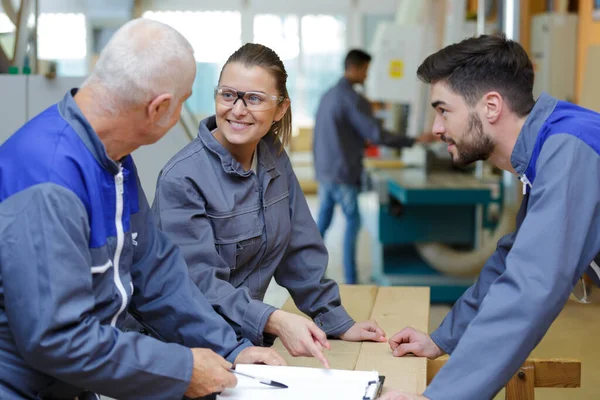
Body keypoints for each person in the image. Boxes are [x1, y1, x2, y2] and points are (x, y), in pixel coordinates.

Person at [0, 19, 285, 400]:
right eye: (185, 100)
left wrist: (232, 349)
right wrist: (181, 371)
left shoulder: (111, 158)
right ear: (160, 108)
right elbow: (58, 338)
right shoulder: (48, 183)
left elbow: (154, 269)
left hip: (74, 384)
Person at [380, 33, 600, 400]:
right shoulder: (551, 143)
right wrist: (441, 338)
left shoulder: (569, 149)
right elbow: (514, 259)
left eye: (443, 110)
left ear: (492, 106)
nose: (435, 128)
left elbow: (530, 287)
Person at [152, 43, 387, 368]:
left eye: (254, 98)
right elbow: (197, 283)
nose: (237, 109)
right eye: (228, 94)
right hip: (186, 353)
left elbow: (299, 249)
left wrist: (336, 321)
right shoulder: (182, 179)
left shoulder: (273, 160)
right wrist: (273, 320)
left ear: (280, 108)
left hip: (244, 343)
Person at [313, 49, 435, 285]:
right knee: (352, 224)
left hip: (325, 172)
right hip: (344, 173)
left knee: (322, 226)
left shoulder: (327, 95)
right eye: (366, 71)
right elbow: (376, 134)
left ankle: (312, 278)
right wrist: (414, 140)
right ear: (356, 68)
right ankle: (351, 281)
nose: (367, 76)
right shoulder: (351, 98)